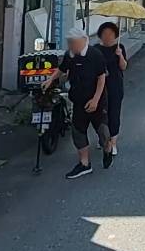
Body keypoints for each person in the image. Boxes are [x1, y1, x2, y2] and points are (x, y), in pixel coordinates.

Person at [43, 26, 112, 179]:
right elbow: (61, 69)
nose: (71, 46)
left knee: (103, 133)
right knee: (78, 133)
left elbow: (102, 79)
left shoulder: (95, 55)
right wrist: (50, 79)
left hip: (97, 102)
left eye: (73, 42)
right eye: (69, 43)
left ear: (83, 40)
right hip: (79, 101)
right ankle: (84, 164)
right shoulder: (70, 55)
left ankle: (107, 149)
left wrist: (95, 100)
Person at [96, 21, 127, 155]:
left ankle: (113, 143)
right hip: (99, 87)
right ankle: (103, 139)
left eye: (111, 34)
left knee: (114, 113)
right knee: (100, 114)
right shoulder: (96, 49)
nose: (108, 36)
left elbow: (123, 67)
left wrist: (120, 55)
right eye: (105, 34)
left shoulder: (119, 47)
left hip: (115, 85)